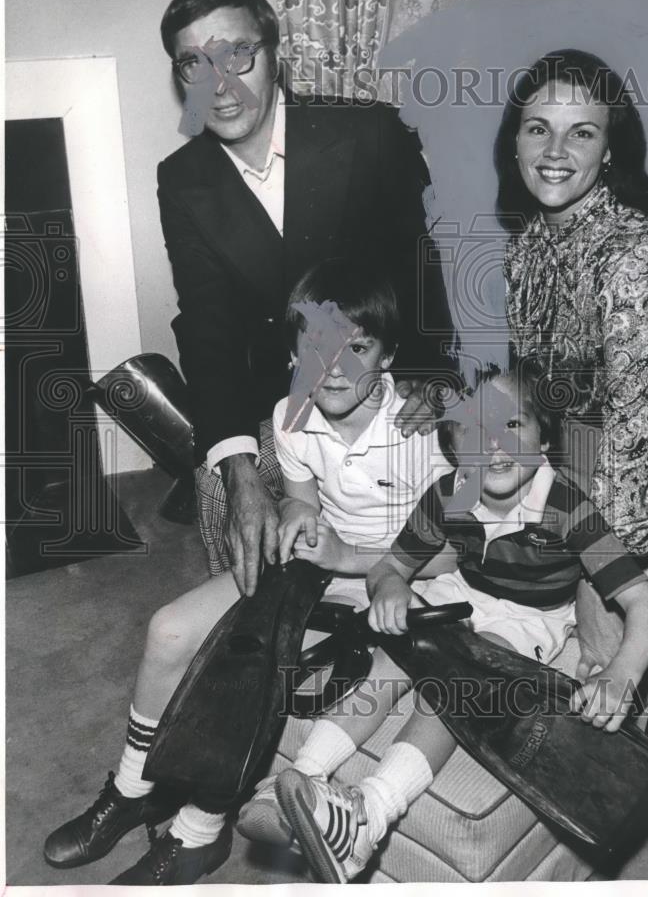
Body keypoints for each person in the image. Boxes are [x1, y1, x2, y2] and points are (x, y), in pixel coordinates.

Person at [42, 258, 451, 885]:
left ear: (388, 356)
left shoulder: (423, 430)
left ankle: (199, 836)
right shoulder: (293, 414)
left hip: (410, 579)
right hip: (321, 564)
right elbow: (304, 498)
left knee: (253, 657)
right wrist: (299, 516)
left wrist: (352, 558)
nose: (333, 367)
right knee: (169, 628)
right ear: (292, 353)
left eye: (357, 347)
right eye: (314, 346)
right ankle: (127, 791)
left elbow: (456, 551)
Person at [250, 361, 648, 884]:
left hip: (528, 617)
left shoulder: (568, 508)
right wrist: (392, 588)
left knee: (459, 683)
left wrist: (622, 672)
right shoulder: (451, 494)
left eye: (512, 426)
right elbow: (390, 566)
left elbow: (647, 605)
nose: (493, 445)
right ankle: (301, 777)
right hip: (461, 592)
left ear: (544, 438)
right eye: (473, 430)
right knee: (392, 658)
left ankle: (368, 815)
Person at [157, 0, 450, 597]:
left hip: (392, 376)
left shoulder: (369, 131)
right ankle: (260, 645)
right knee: (218, 487)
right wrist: (236, 464)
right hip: (281, 403)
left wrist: (433, 372)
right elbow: (204, 324)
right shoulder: (182, 180)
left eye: (238, 54)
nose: (222, 84)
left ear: (274, 52)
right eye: (196, 64)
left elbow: (422, 263)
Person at [495, 49, 648, 561]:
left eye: (582, 133)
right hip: (555, 454)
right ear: (516, 142)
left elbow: (635, 427)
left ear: (609, 149)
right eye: (538, 129)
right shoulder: (524, 243)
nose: (555, 150)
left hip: (640, 469)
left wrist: (606, 551)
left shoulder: (633, 256)